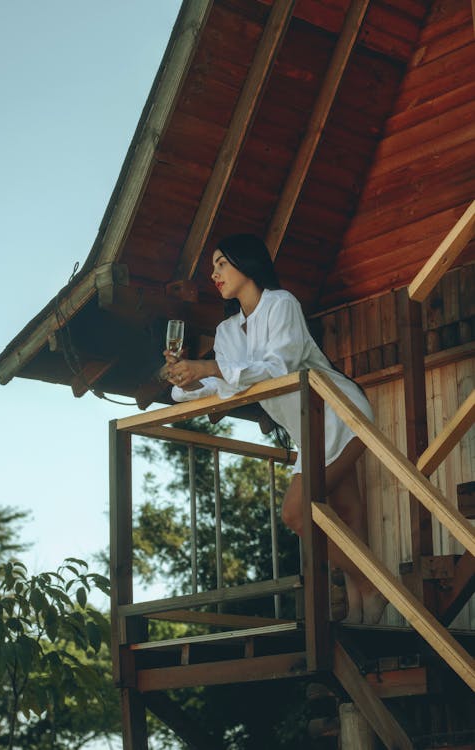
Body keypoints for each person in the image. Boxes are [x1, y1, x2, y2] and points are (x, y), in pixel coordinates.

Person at [164, 234, 387, 624]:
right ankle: (360, 609)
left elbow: (276, 368)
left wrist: (209, 367)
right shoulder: (228, 331)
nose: (214, 274)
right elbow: (228, 385)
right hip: (308, 427)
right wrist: (190, 382)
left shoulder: (282, 304)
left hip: (338, 410)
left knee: (297, 514)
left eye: (221, 264)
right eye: (213, 267)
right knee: (347, 515)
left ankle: (371, 585)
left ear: (246, 263)